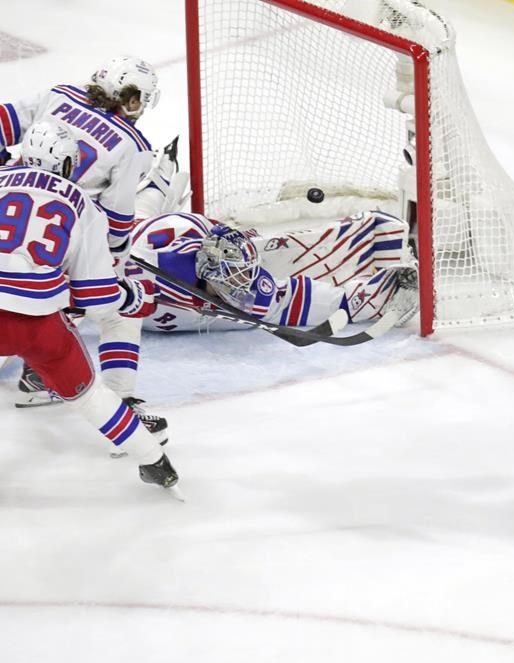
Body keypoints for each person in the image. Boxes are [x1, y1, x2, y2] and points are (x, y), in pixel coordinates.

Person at [0, 120, 178, 489]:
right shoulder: (83, 205)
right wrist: (133, 296)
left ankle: (33, 378)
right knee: (89, 397)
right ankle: (156, 462)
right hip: (40, 324)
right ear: (67, 165)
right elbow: (95, 297)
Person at [2, 56, 170, 435]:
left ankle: (37, 377)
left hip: (12, 224)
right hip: (68, 237)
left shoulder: (56, 95)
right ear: (128, 98)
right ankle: (120, 404)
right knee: (118, 312)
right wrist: (115, 266)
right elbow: (116, 219)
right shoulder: (133, 144)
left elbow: (1, 120)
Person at [125, 210, 419, 335]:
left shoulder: (241, 281)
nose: (245, 284)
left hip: (194, 237)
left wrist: (352, 304)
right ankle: (161, 179)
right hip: (143, 237)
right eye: (236, 277)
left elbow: (286, 298)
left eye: (246, 275)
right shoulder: (149, 273)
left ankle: (364, 238)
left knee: (262, 296)